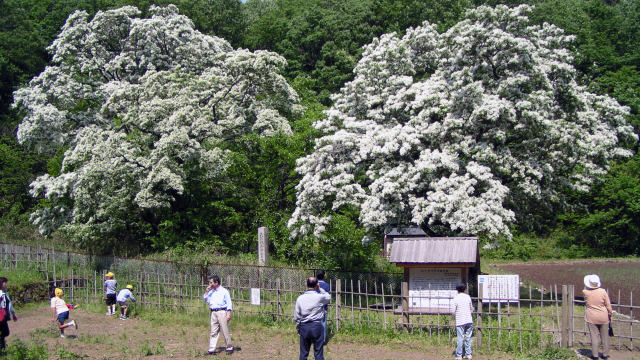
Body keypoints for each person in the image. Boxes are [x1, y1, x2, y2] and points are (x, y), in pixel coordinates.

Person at [294, 277, 331, 360]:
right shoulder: (319, 297)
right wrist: (320, 289)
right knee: (318, 354)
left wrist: (298, 327)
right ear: (316, 284)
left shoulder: (300, 298)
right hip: (317, 326)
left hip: (304, 326)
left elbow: (297, 315)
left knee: (303, 354)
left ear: (307, 285)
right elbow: (328, 297)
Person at [583, 274, 613, 360]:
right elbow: (608, 305)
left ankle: (595, 355)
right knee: (605, 336)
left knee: (594, 336)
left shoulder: (585, 292)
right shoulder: (603, 291)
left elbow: (585, 289)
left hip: (591, 316)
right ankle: (605, 354)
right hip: (603, 316)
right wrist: (610, 314)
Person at [203, 275, 233, 355]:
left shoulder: (224, 291)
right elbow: (205, 299)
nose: (210, 284)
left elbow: (229, 303)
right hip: (213, 312)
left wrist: (228, 314)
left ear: (216, 282)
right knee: (213, 331)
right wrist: (207, 291)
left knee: (225, 330)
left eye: (211, 282)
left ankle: (229, 347)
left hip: (222, 312)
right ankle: (211, 349)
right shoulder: (211, 291)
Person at [450, 282, 473, 360]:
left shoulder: (456, 298)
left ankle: (459, 355)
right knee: (468, 338)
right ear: (464, 289)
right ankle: (468, 354)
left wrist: (454, 316)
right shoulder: (468, 297)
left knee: (460, 338)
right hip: (469, 320)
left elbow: (453, 311)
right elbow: (471, 308)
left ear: (457, 290)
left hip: (460, 321)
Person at [0, 277, 18, 354]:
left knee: (5, 332)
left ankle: (3, 348)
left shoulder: (6, 293)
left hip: (4, 316)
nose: (6, 284)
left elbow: (9, 303)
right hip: (0, 316)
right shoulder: (0, 294)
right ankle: (2, 350)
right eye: (5, 283)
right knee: (3, 333)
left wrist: (13, 314)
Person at [315, 270, 330, 344]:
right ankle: (323, 340)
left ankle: (315, 339)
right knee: (323, 323)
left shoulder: (314, 284)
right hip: (323, 307)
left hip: (314, 307)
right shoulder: (326, 285)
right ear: (324, 276)